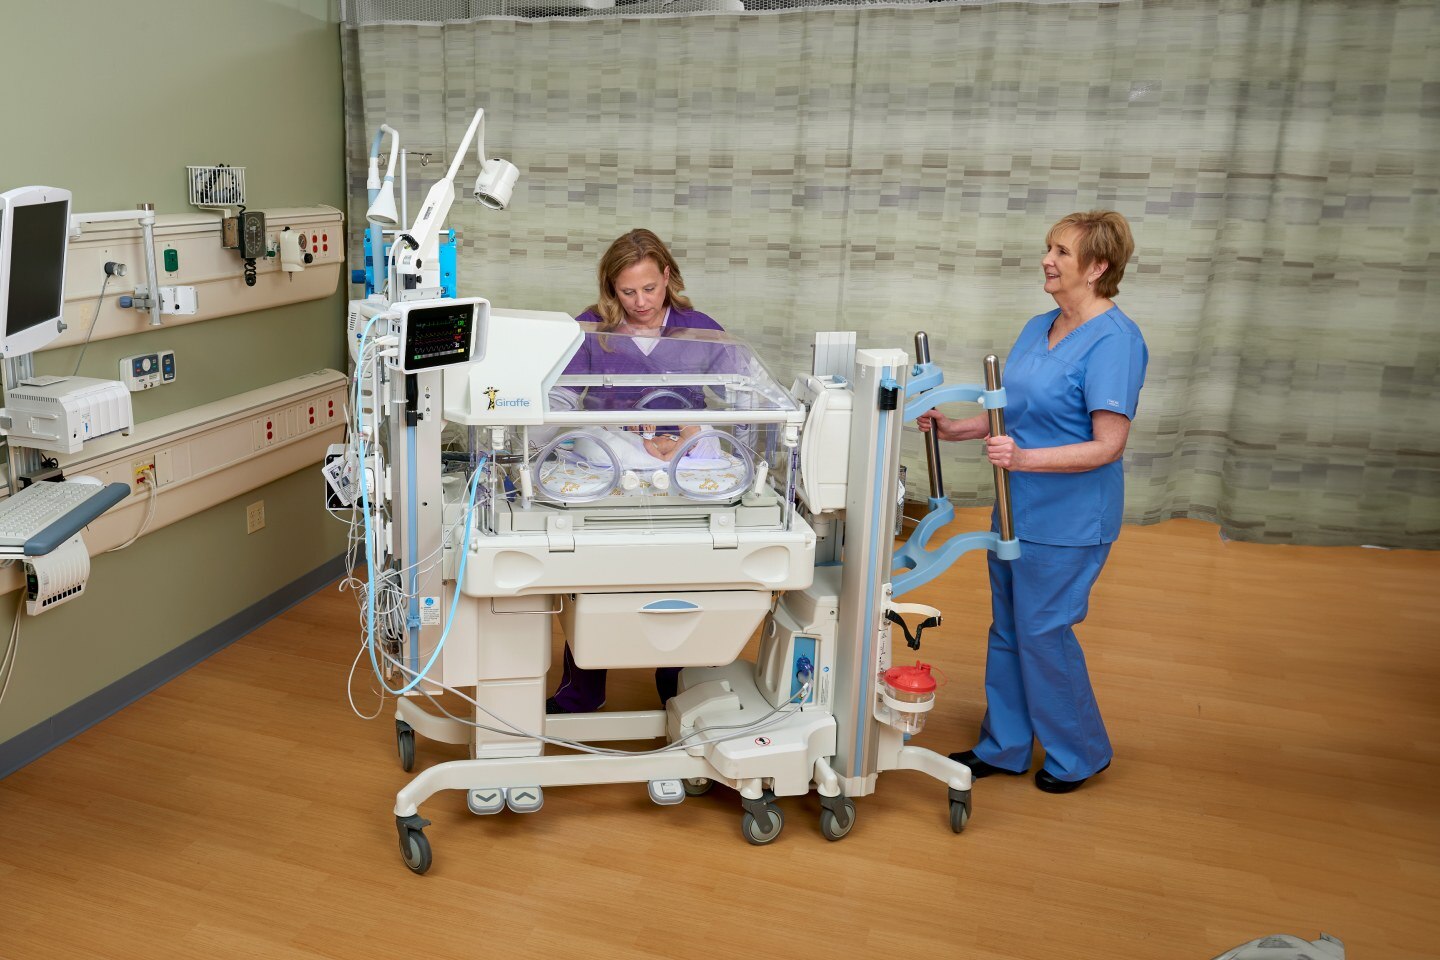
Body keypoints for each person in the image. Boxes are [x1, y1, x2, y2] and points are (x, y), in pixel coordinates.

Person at [917, 210, 1148, 794]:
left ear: (1096, 267)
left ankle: (1081, 753)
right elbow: (1014, 414)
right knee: (1009, 629)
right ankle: (1006, 745)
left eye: (1062, 252)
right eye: (1050, 248)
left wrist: (1023, 460)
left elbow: (1108, 445)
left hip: (1070, 518)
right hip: (1015, 507)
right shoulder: (1038, 327)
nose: (1047, 259)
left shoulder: (1116, 342)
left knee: (1044, 633)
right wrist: (957, 429)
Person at [546, 228, 725, 714]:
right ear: (611, 288)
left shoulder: (699, 329)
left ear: (667, 276)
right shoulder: (591, 329)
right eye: (627, 292)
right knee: (598, 576)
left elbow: (745, 396)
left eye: (649, 288)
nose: (640, 302)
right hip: (615, 461)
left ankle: (677, 679)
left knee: (680, 578)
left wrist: (689, 436)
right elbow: (559, 395)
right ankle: (583, 688)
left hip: (681, 462)